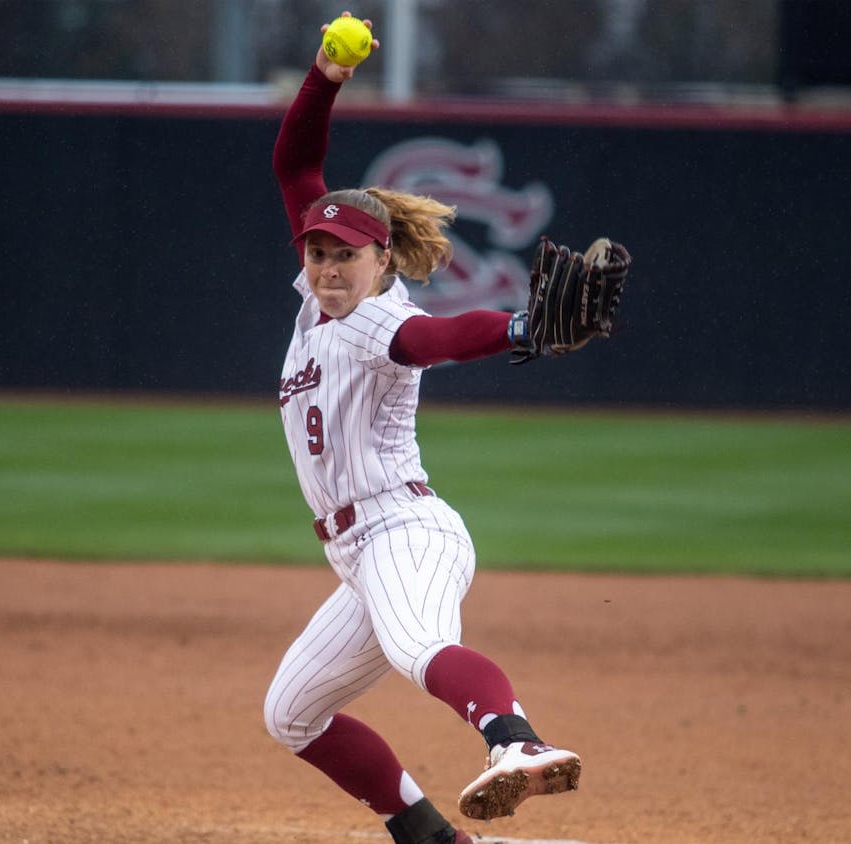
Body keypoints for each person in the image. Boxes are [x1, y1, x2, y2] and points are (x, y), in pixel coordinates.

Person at [261, 14, 584, 844]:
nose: (329, 268)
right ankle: (430, 835)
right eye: (318, 252)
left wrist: (518, 329)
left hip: (405, 530)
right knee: (292, 712)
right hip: (357, 554)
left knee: (419, 648)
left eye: (346, 255)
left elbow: (435, 339)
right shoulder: (316, 304)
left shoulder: (376, 319)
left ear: (383, 262)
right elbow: (296, 162)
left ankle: (519, 743)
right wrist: (327, 72)